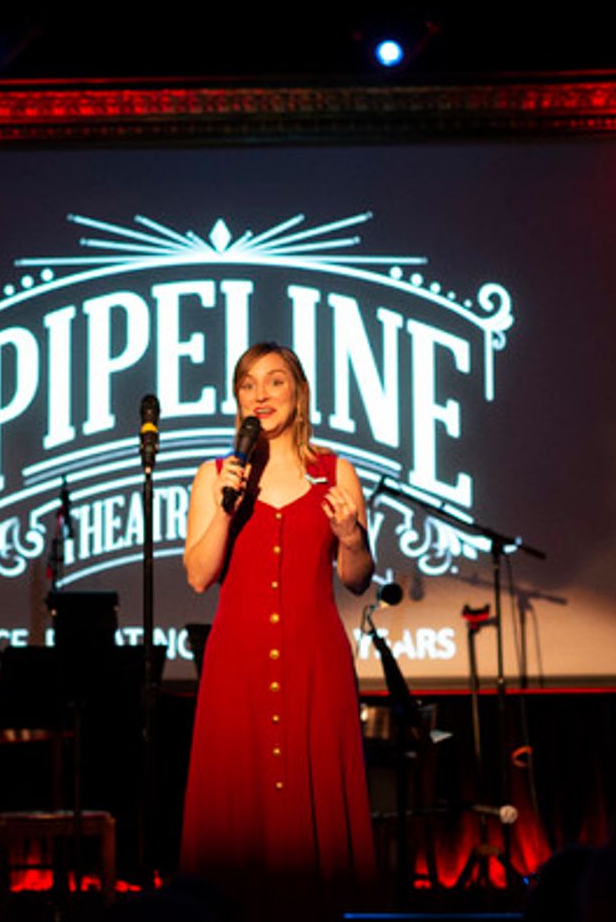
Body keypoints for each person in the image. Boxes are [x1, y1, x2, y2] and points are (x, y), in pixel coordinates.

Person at [180, 341, 377, 918]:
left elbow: (358, 579)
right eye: (247, 384)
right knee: (237, 803)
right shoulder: (215, 475)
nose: (260, 395)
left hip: (315, 662)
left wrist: (351, 537)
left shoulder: (335, 471)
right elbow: (199, 575)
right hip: (236, 665)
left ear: (299, 392)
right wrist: (227, 506)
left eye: (274, 381)